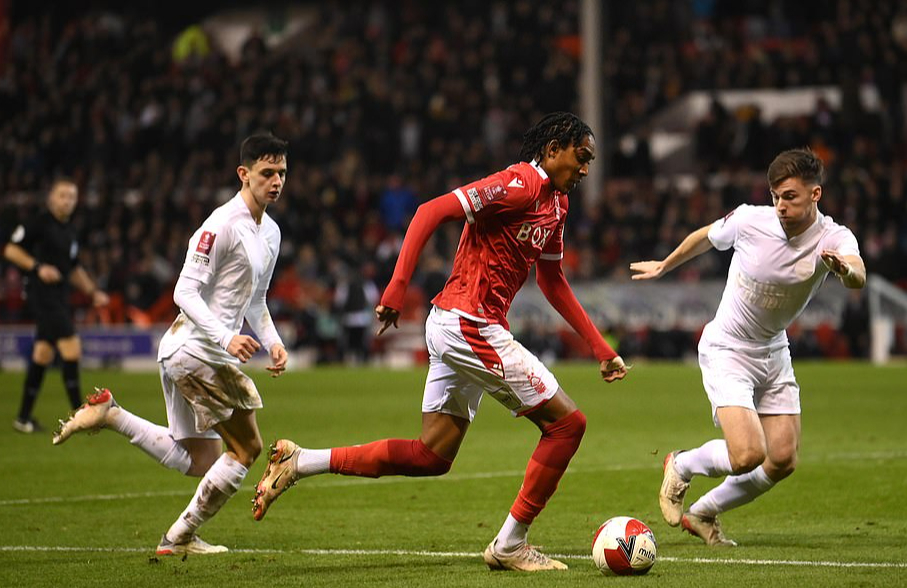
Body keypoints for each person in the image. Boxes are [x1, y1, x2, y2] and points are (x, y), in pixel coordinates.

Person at [252, 112, 630, 571]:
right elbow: (430, 211)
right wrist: (396, 285)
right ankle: (510, 544)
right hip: (468, 322)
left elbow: (552, 281)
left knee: (432, 454)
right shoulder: (520, 184)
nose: (585, 169)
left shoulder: (557, 205)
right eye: (581, 157)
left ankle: (301, 461)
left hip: (462, 325)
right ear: (553, 149)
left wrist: (598, 344)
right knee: (568, 425)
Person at [53, 134, 290, 555]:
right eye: (267, 173)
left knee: (200, 460)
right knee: (248, 447)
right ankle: (178, 537)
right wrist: (226, 337)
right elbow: (184, 292)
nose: (276, 181)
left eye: (282, 173)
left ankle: (112, 414)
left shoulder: (270, 232)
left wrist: (272, 341)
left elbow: (255, 300)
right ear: (244, 174)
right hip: (195, 350)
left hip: (194, 353)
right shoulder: (220, 225)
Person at [630, 148, 865, 546]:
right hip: (728, 349)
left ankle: (703, 513)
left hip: (773, 351)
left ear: (815, 194)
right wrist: (665, 265)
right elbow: (705, 237)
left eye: (790, 196)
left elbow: (857, 271)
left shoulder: (834, 237)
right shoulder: (750, 220)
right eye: (775, 196)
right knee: (747, 455)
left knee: (783, 459)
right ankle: (681, 464)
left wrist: (844, 269)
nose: (780, 206)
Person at [3, 179, 110, 433]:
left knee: (43, 354)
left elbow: (72, 268)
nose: (67, 201)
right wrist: (38, 267)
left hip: (59, 297)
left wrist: (92, 291)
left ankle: (23, 419)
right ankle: (81, 417)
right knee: (72, 348)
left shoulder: (69, 231)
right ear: (51, 198)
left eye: (72, 196)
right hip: (43, 296)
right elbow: (10, 250)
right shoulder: (39, 223)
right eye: (62, 195)